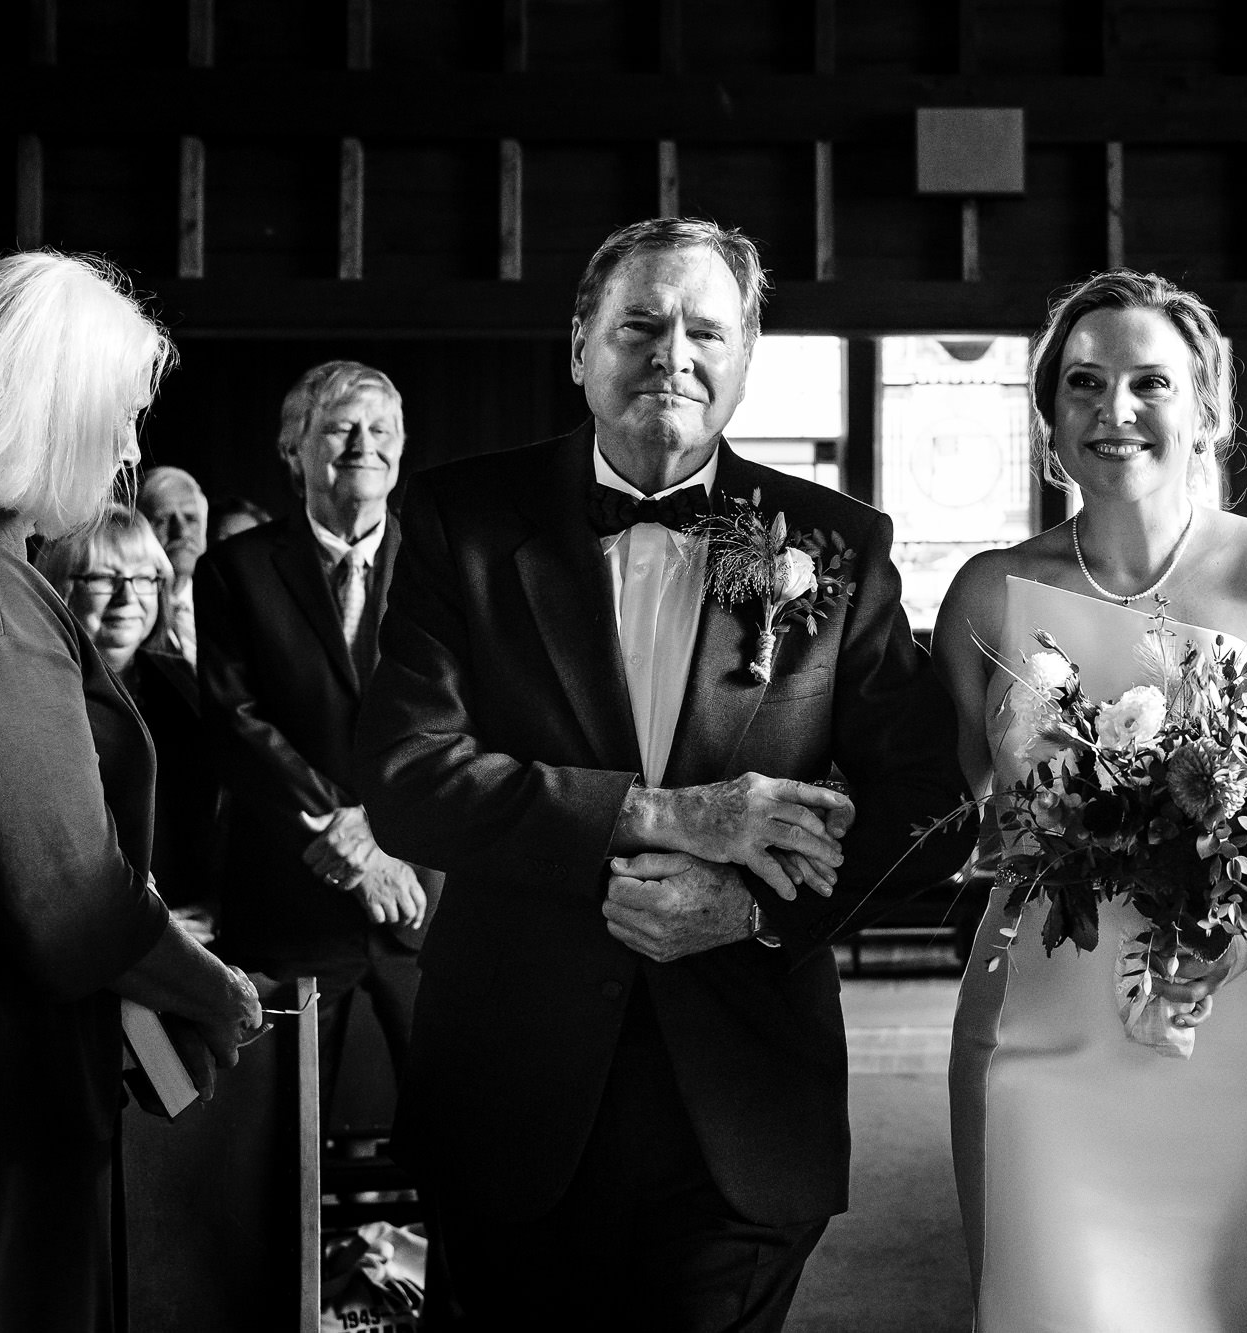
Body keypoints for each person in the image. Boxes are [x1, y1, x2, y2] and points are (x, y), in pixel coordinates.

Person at [353, 218, 970, 1328]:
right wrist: (664, 813)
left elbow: (930, 811)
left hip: (741, 1103)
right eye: (638, 322)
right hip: (511, 1087)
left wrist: (754, 912)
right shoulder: (462, 520)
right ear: (579, 346)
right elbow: (406, 773)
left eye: (705, 329)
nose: (670, 352)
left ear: (742, 360)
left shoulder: (836, 547)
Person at [934, 270, 1247, 1329]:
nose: (1113, 412)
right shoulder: (985, 592)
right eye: (1082, 383)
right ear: (1049, 419)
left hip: (1223, 1019)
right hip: (1034, 1027)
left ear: (1204, 406)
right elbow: (980, 804)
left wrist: (1230, 935)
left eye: (1147, 383)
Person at [0, 250, 261, 1333]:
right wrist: (212, 989)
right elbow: (65, 894)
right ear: (46, 411)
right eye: (120, 417)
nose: (132, 450)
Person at [197, 360, 439, 1111]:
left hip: (422, 903)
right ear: (293, 447)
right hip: (287, 907)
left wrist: (380, 835)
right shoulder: (234, 569)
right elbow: (237, 724)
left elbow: (468, 720)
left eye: (381, 428)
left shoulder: (447, 564)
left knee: (462, 1145)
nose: (363, 444)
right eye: (340, 427)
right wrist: (348, 840)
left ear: (401, 449)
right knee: (276, 1152)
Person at [35, 507, 222, 932]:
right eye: (102, 578)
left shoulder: (182, 683)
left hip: (197, 925)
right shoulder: (39, 693)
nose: (128, 597)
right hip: (97, 935)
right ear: (58, 585)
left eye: (144, 578)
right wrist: (149, 924)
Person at [137, 464, 208, 665]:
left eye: (191, 519)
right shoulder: (128, 609)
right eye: (164, 519)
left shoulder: (226, 604)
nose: (182, 532)